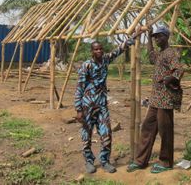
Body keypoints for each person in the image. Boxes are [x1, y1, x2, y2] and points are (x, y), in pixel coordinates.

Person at [127, 25, 184, 174]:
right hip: (155, 99)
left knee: (165, 130)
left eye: (159, 36)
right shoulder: (160, 54)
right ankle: (140, 160)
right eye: (155, 37)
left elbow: (179, 70)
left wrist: (168, 79)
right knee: (147, 127)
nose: (157, 39)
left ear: (166, 37)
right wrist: (149, 36)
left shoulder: (170, 53)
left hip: (165, 99)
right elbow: (151, 54)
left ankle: (166, 162)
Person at [75, 38, 135, 174]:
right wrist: (78, 110)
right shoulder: (87, 66)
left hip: (102, 105)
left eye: (101, 48)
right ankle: (89, 161)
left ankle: (105, 161)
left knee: (106, 133)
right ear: (92, 51)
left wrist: (134, 37)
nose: (99, 51)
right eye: (96, 49)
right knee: (86, 135)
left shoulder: (105, 60)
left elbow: (119, 49)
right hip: (87, 106)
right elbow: (79, 88)